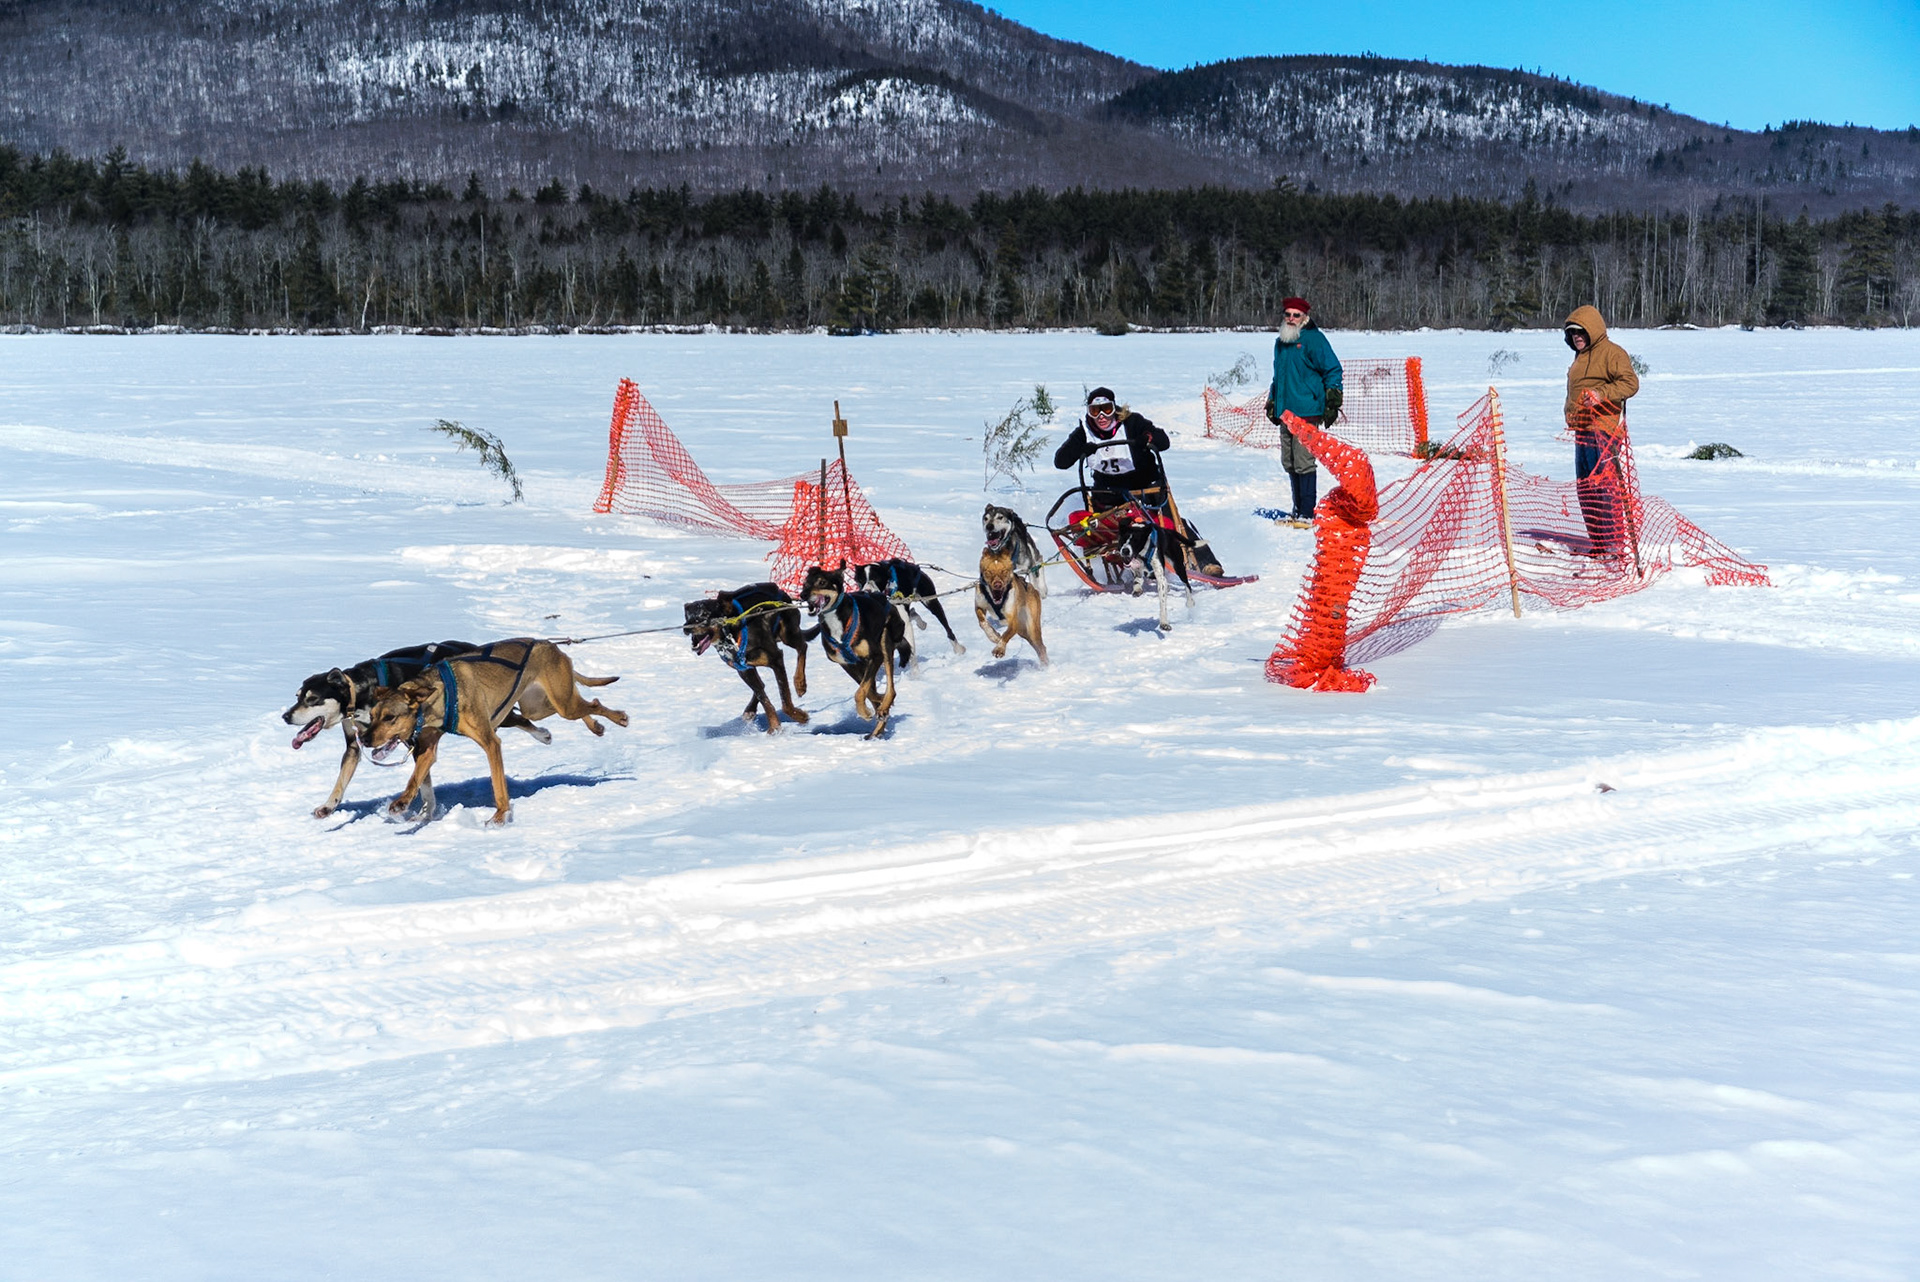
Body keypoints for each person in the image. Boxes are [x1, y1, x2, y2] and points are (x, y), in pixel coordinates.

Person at [1562, 305, 1640, 554]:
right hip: (1583, 430)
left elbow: (1630, 383)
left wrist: (1601, 394)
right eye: (1573, 333)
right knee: (1586, 489)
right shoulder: (1579, 358)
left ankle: (1614, 545)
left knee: (1605, 488)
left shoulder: (1612, 353)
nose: (1577, 337)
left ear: (1593, 330)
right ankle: (1598, 543)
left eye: (1581, 332)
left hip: (1604, 432)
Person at [1263, 296, 1343, 521]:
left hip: (1307, 410)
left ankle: (1307, 512)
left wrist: (1333, 397)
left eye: (1295, 315)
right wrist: (1272, 401)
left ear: (1304, 317)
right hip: (1285, 412)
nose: (1291, 318)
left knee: (1303, 460)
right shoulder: (1281, 341)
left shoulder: (1314, 340)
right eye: (1287, 314)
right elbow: (1279, 376)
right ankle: (1297, 509)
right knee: (1288, 461)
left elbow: (1333, 369)